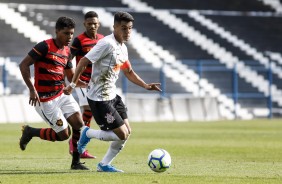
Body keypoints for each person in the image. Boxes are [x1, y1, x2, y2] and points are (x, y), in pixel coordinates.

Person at [64, 11, 161, 172]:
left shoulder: (122, 47)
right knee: (121, 134)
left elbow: (128, 71)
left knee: (127, 132)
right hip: (99, 99)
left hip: (112, 96)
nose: (127, 31)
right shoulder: (106, 44)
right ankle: (88, 133)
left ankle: (104, 165)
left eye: (130, 28)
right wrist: (73, 85)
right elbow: (83, 61)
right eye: (123, 28)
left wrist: (145, 85)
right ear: (114, 27)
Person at [19, 16, 89, 170]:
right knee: (64, 135)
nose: (69, 37)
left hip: (62, 94)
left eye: (71, 33)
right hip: (45, 100)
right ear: (57, 32)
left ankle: (76, 162)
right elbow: (23, 65)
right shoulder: (44, 46)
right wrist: (32, 89)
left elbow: (71, 77)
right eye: (66, 33)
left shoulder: (67, 51)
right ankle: (31, 132)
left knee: (79, 124)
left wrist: (87, 83)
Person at [69, 11, 104, 159]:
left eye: (95, 23)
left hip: (98, 83)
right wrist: (73, 78)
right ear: (85, 24)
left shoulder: (103, 40)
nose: (92, 26)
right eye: (89, 24)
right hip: (82, 82)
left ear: (99, 24)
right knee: (88, 109)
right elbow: (67, 58)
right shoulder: (79, 41)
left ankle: (78, 143)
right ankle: (76, 145)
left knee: (91, 114)